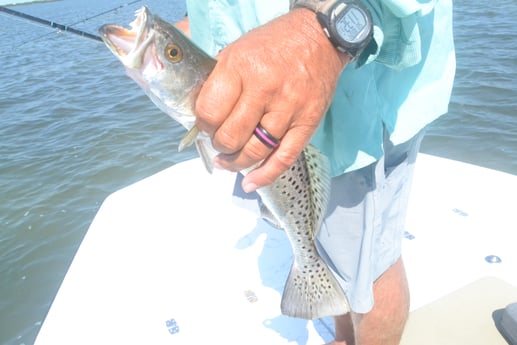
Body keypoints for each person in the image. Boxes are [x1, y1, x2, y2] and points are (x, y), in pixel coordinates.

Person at [179, 0, 455, 344]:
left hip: (352, 91)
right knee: (333, 248)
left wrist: (322, 30)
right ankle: (343, 336)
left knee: (370, 269)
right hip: (263, 100)